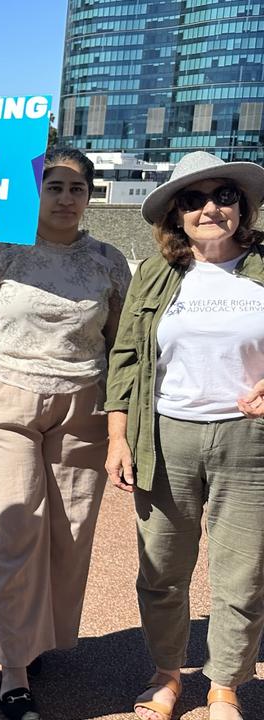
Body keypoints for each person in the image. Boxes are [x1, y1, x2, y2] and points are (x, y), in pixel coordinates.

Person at [0, 147, 132, 720]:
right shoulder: (0, 251)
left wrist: (124, 422)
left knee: (69, 532)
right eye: (55, 187)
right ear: (35, 194)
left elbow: (122, 345)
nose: (66, 198)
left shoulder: (108, 262)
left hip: (83, 405)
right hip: (4, 400)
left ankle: (38, 636)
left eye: (77, 188)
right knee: (14, 523)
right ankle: (14, 665)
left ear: (89, 196)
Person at [105, 151, 264, 720]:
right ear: (177, 215)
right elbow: (124, 358)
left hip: (251, 442)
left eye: (224, 196)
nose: (210, 208)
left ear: (242, 206)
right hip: (165, 436)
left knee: (243, 573)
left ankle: (225, 684)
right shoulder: (156, 273)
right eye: (193, 200)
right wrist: (117, 438)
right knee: (162, 570)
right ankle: (167, 673)